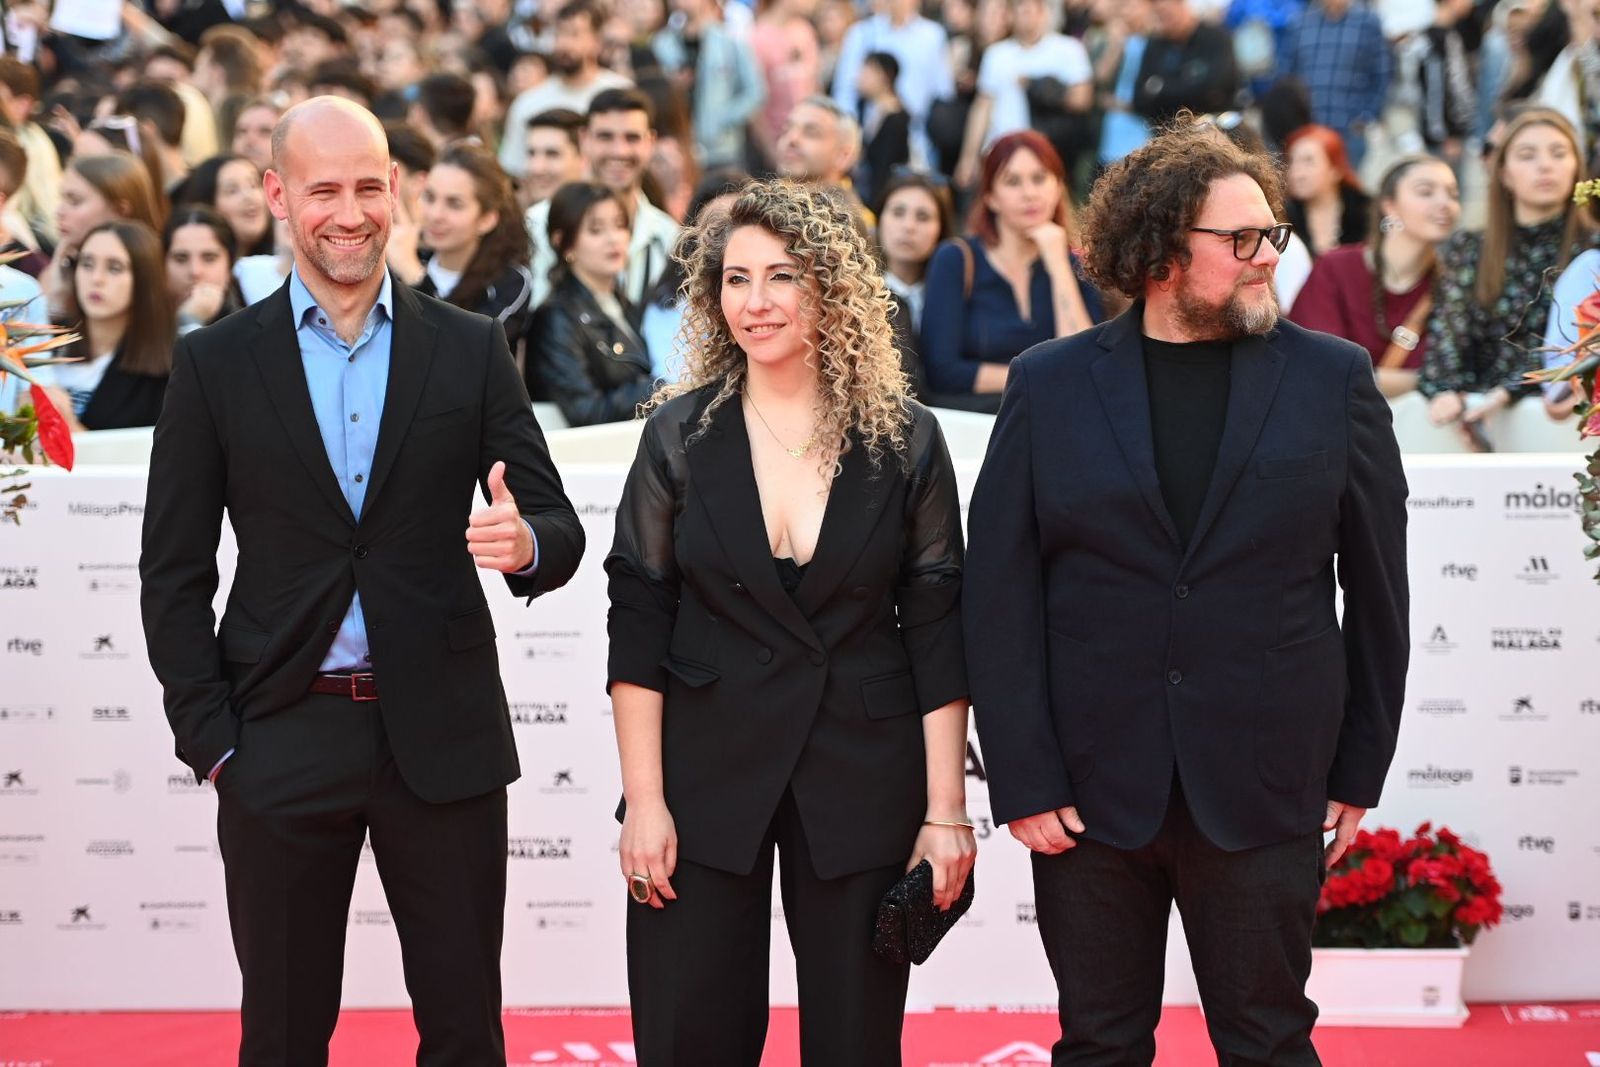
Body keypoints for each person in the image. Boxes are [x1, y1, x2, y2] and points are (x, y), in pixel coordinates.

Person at [138, 96, 585, 1067]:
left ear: (400, 192)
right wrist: (213, 742)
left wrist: (527, 544)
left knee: (466, 1031)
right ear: (278, 196)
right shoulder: (215, 362)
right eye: (325, 190)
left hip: (445, 735)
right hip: (279, 734)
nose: (350, 212)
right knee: (285, 1033)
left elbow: (555, 521)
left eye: (370, 187)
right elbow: (172, 569)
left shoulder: (465, 348)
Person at [964, 119, 1409, 1067]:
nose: (1266, 261)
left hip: (1266, 779)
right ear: (1162, 250)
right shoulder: (1050, 385)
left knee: (1269, 1040)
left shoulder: (1334, 379)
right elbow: (998, 596)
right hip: (1088, 793)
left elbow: (1379, 592)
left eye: (1273, 237)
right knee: (1099, 1043)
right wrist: (1025, 777)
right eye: (1240, 241)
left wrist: (1355, 769)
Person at [607, 178, 974, 1065]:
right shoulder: (679, 437)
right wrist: (645, 801)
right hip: (700, 771)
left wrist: (947, 811)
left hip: (861, 767)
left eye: (783, 276)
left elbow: (936, 628)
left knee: (855, 1040)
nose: (756, 302)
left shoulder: (906, 441)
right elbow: (639, 623)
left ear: (832, 288)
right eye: (736, 279)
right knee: (690, 1031)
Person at [1420, 107, 1592, 448]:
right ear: (1504, 173)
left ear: (1576, 169)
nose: (1545, 165)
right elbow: (1447, 339)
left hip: (1560, 432)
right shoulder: (1469, 249)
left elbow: (1576, 349)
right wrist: (1448, 391)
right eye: (1528, 155)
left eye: (1559, 154)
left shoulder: (1593, 253)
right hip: (1472, 424)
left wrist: (1512, 389)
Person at [920, 131, 1102, 410]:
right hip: (975, 427)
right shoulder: (955, 259)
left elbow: (1082, 363)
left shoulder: (1077, 266)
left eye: (1040, 179)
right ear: (991, 197)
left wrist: (1058, 264)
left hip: (1053, 426)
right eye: (1013, 181)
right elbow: (943, 371)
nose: (1029, 193)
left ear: (1057, 187)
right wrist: (1038, 377)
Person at [1291, 154, 1462, 397]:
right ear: (1389, 205)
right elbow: (1319, 368)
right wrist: (1418, 382)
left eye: (1453, 194)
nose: (1444, 203)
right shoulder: (1336, 268)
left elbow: (1458, 375)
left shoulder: (1453, 283)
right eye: (1426, 192)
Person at [525, 89, 680, 308]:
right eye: (605, 137)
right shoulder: (537, 224)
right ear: (584, 139)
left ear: (650, 142)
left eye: (632, 138)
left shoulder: (668, 237)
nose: (619, 151)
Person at [526, 181, 654, 425]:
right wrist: (659, 387)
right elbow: (585, 410)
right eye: (596, 230)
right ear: (563, 242)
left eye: (619, 225)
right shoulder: (556, 318)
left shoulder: (626, 304)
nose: (613, 239)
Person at [387, 142, 536, 346]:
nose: (435, 215)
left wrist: (414, 275)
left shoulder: (510, 281)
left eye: (454, 204)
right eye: (429, 197)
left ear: (487, 219)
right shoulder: (400, 259)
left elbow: (467, 350)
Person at [954, 0, 1093, 190]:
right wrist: (968, 157)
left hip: (1048, 152)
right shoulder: (996, 54)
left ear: (1044, 12)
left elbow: (1082, 99)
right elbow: (983, 107)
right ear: (1010, 15)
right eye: (1020, 9)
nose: (1026, 15)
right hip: (1000, 151)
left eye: (1031, 9)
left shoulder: (1068, 49)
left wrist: (1039, 87)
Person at [53, 220, 175, 430]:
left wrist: (69, 429)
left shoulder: (169, 368)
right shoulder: (44, 339)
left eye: (114, 268)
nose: (96, 279)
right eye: (87, 264)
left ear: (144, 279)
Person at [499, 0, 633, 179]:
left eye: (574, 34)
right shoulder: (529, 101)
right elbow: (514, 170)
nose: (564, 44)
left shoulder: (621, 93)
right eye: (558, 34)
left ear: (597, 41)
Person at [829, 0, 954, 169]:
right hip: (870, 137)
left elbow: (943, 92)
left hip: (919, 140)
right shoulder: (863, 33)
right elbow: (845, 90)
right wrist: (849, 136)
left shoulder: (932, 35)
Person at [46, 153, 167, 323]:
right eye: (87, 265)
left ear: (120, 210)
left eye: (75, 201)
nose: (59, 211)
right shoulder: (60, 262)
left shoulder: (163, 271)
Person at [1275, 0, 1393, 168]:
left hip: (1350, 132)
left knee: (1347, 190)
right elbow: (1286, 77)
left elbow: (1382, 74)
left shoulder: (1368, 22)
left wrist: (1366, 116)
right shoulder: (1299, 23)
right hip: (1307, 130)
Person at [651, 0, 767, 170]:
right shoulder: (662, 44)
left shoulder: (731, 42)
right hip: (679, 148)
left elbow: (755, 92)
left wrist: (723, 118)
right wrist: (671, 87)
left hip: (722, 149)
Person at [1133, 0, 1240, 125]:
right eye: (1158, 16)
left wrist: (1160, 87)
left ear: (1182, 5)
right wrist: (1188, 85)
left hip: (1215, 130)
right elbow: (1139, 100)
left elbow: (1214, 89)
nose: (1164, 22)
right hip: (1168, 133)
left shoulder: (1216, 38)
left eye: (1168, 14)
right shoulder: (1156, 45)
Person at [776, 95, 873, 231]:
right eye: (786, 129)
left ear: (843, 156)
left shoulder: (852, 224)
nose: (791, 139)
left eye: (811, 133)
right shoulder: (771, 199)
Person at [1282, 124, 1372, 257]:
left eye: (1308, 162)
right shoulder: (1281, 217)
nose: (1296, 173)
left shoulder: (1366, 213)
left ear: (1335, 169)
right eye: (1292, 161)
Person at [164, 205, 246, 336]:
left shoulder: (250, 330)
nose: (195, 271)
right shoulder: (138, 327)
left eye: (209, 258)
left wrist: (188, 322)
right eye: (181, 258)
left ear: (229, 267)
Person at [174, 154, 275, 257]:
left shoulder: (287, 262)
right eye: (232, 191)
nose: (249, 196)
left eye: (254, 185)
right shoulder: (197, 269)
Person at [856, 53, 911, 208]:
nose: (860, 77)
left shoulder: (896, 118)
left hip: (881, 196)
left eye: (867, 72)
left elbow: (884, 167)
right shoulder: (864, 106)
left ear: (884, 76)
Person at [521, 108, 587, 211]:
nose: (537, 168)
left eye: (552, 154)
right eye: (531, 154)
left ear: (584, 157)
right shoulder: (527, 221)